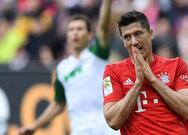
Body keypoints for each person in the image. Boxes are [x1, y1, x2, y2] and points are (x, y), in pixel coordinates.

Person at [19, 0, 117, 135]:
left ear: (89, 35)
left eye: (80, 29)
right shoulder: (62, 68)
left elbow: (103, 28)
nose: (75, 33)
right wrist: (35, 126)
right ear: (67, 36)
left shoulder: (97, 54)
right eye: (71, 29)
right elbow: (58, 104)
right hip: (79, 130)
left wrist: (106, 4)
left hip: (105, 126)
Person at [102, 11, 188, 135]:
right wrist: (137, 84)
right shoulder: (113, 72)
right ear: (123, 42)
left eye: (138, 34)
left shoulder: (176, 65)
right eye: (127, 37)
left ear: (150, 33)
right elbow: (113, 121)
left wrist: (152, 79)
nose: (134, 42)